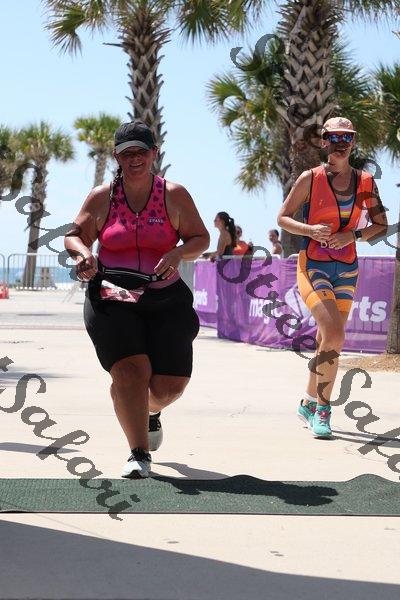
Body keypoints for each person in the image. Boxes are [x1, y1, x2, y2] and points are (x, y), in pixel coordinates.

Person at [64, 120, 210, 478]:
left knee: (168, 388)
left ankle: (150, 410)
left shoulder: (174, 194)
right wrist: (83, 253)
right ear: (117, 157)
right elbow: (74, 235)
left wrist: (179, 252)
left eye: (141, 152)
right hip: (112, 296)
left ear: (153, 154)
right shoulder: (102, 197)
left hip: (165, 298)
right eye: (126, 153)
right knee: (130, 372)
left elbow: (201, 238)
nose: (134, 159)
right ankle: (138, 453)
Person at [277, 117, 387, 438]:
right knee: (335, 335)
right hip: (313, 265)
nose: (341, 143)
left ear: (353, 142)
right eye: (334, 137)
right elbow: (282, 218)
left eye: (346, 137)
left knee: (328, 339)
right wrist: (310, 229)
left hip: (348, 267)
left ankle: (308, 402)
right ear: (324, 141)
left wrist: (353, 235)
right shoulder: (310, 179)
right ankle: (323, 411)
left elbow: (381, 225)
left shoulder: (365, 182)